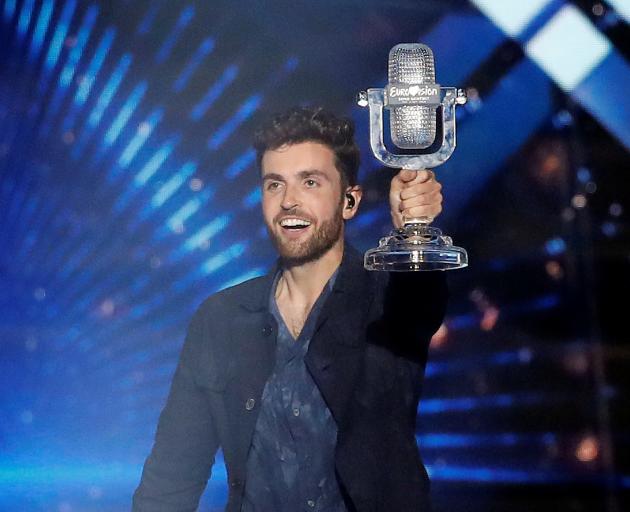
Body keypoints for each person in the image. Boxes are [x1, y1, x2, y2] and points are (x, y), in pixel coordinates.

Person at [132, 106, 448, 512]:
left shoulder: (386, 300)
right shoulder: (222, 319)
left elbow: (422, 297)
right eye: (274, 185)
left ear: (349, 201)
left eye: (310, 182)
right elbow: (172, 475)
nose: (288, 202)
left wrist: (412, 232)